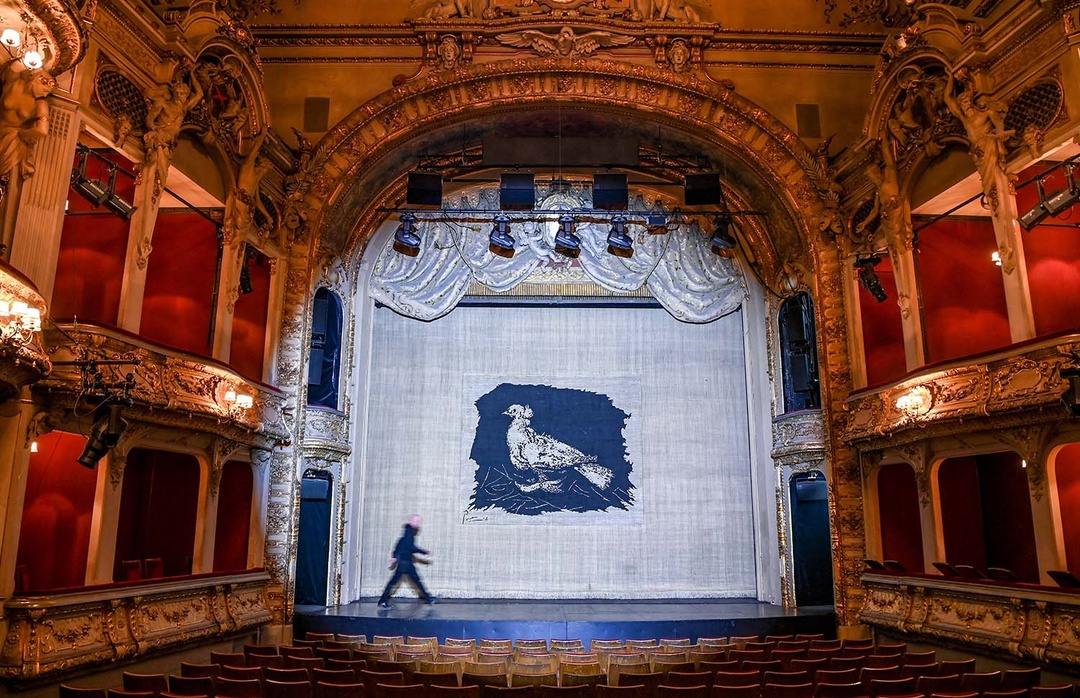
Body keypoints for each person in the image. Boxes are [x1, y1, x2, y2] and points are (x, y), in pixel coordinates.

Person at [377, 514, 436, 608]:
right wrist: (425, 552)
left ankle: (429, 598)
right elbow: (409, 547)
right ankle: (382, 601)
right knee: (398, 582)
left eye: (419, 522)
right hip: (405, 563)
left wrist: (395, 556)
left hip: (406, 562)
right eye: (416, 521)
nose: (418, 523)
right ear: (410, 521)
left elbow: (400, 544)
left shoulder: (408, 531)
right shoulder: (409, 532)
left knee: (415, 581)